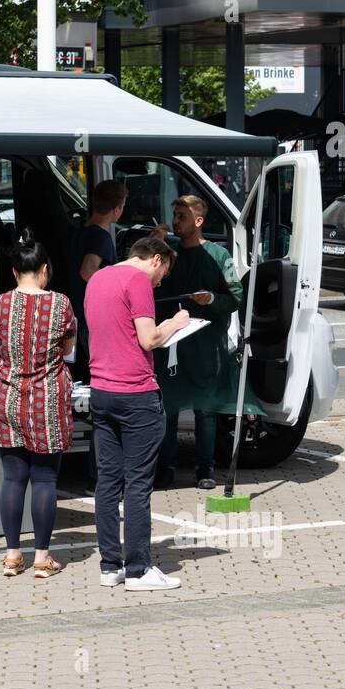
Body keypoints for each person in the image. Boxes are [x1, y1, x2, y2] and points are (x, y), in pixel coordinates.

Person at [86, 234, 190, 592]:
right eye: (163, 274)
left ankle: (109, 565)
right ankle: (139, 570)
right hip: (136, 393)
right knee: (138, 485)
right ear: (156, 259)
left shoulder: (98, 277)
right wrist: (176, 323)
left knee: (107, 481)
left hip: (101, 390)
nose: (160, 282)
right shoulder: (137, 281)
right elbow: (148, 339)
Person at [0, 229, 77, 579]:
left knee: (12, 477)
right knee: (44, 479)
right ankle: (41, 557)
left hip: (7, 396)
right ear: (44, 269)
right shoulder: (61, 304)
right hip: (47, 399)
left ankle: (12, 555)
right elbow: (68, 348)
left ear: (13, 272)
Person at [153, 196, 243, 490]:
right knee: (169, 407)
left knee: (206, 409)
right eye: (175, 215)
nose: (176, 221)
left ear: (199, 221)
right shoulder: (168, 254)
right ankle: (165, 467)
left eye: (182, 216)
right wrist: (155, 244)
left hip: (206, 345)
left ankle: (205, 468)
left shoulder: (219, 256)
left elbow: (236, 297)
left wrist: (213, 299)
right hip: (171, 344)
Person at [69, 179, 126, 494]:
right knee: (101, 402)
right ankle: (100, 477)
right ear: (117, 209)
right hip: (93, 324)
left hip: (78, 321)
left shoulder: (80, 232)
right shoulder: (102, 238)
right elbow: (88, 271)